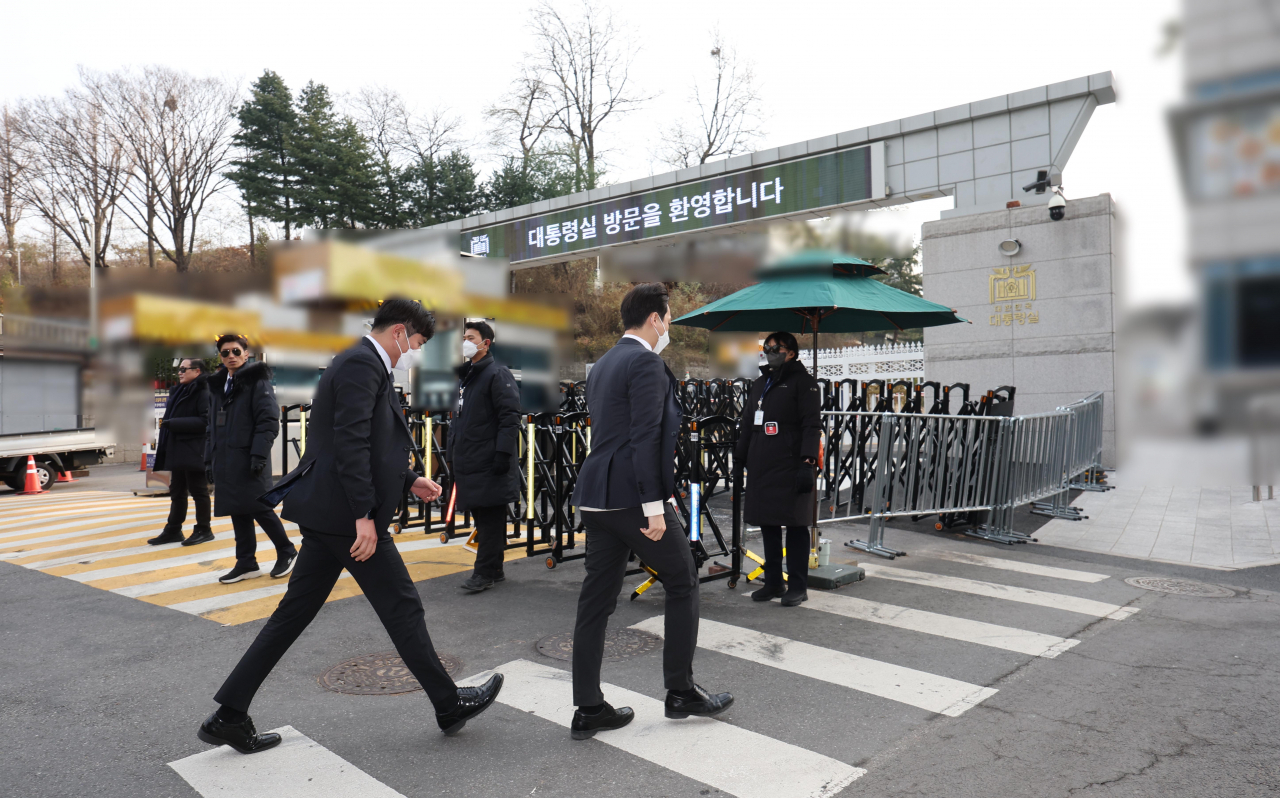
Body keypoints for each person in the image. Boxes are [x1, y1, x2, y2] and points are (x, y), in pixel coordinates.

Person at [197, 300, 502, 755]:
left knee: (291, 615)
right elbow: (351, 442)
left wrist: (408, 479)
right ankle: (448, 702)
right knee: (402, 606)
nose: (410, 354)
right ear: (399, 332)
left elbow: (364, 441)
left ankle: (229, 714)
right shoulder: (363, 363)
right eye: (415, 343)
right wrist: (364, 515)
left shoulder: (357, 360)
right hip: (345, 517)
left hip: (328, 513)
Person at [567, 282, 733, 742]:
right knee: (683, 580)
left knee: (595, 603)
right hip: (632, 499)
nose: (670, 327)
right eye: (669, 318)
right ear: (656, 319)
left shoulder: (603, 364)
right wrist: (653, 506)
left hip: (597, 496)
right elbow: (644, 438)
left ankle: (588, 707)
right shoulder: (644, 362)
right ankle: (680, 691)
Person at [734, 332, 822, 607]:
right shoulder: (761, 383)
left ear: (792, 352)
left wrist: (808, 462)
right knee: (768, 523)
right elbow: (748, 423)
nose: (770, 351)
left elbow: (812, 425)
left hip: (793, 464)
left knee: (796, 525)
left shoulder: (804, 384)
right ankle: (774, 581)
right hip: (763, 464)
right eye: (767, 347)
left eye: (777, 348)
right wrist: (739, 459)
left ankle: (798, 585)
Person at [205, 334, 297, 584]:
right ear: (220, 357)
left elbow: (268, 420)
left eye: (236, 351)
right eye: (225, 353)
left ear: (247, 353)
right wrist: (207, 459)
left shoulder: (257, 381)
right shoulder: (218, 385)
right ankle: (246, 562)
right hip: (225, 457)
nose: (231, 356)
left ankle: (287, 551)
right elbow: (211, 425)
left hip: (248, 457)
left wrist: (258, 455)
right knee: (238, 509)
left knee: (259, 507)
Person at [447, 320, 522, 593]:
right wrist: (452, 453)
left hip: (489, 460)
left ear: (485, 343)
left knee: (489, 518)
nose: (464, 342)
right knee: (484, 516)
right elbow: (459, 419)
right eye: (463, 337)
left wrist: (503, 453)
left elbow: (510, 416)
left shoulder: (497, 374)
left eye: (470, 337)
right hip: (471, 459)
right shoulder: (468, 377)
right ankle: (496, 568)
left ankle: (483, 573)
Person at [148, 358, 214, 546]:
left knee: (198, 491)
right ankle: (173, 530)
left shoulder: (203, 391)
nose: (180, 372)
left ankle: (204, 529)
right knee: (177, 491)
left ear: (198, 371)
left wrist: (174, 424)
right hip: (177, 448)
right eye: (179, 369)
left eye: (185, 369)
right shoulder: (180, 390)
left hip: (194, 450)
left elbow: (205, 421)